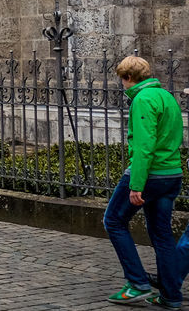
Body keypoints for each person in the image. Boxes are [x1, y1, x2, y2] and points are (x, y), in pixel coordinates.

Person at [103, 55, 183, 307]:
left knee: (114, 221)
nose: (123, 85)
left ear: (128, 78)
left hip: (151, 175)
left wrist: (137, 184)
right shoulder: (167, 97)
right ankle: (171, 296)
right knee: (162, 236)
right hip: (172, 173)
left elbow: (144, 146)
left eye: (122, 80)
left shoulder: (142, 99)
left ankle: (137, 282)